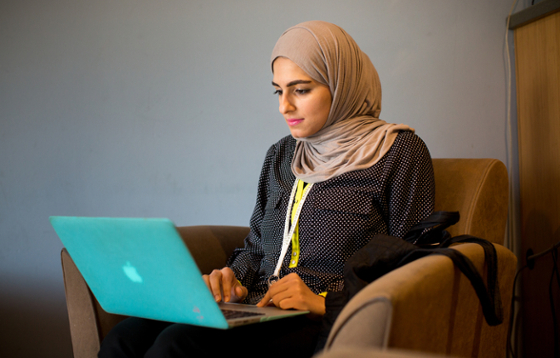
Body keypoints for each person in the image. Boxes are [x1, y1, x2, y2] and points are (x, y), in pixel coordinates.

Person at [98, 20, 434, 358]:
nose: (283, 106)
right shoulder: (282, 154)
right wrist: (232, 279)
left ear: (340, 83)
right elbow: (256, 246)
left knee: (177, 345)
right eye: (279, 90)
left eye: (300, 90)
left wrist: (324, 302)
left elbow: (416, 265)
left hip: (318, 319)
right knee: (124, 336)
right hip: (256, 306)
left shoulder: (399, 151)